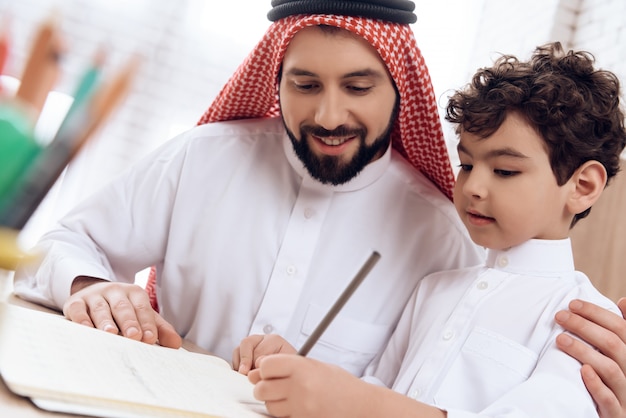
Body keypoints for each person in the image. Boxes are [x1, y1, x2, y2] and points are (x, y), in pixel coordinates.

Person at [10, 0, 626, 414]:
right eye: (305, 85)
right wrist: (90, 284)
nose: (329, 116)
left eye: (358, 87)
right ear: (276, 81)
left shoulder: (450, 235)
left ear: (399, 88)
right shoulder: (203, 157)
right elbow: (55, 245)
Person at [239, 41, 626, 418]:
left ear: (582, 187)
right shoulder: (435, 288)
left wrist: (360, 405)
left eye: (505, 171)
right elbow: (379, 390)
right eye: (467, 165)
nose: (473, 187)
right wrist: (301, 373)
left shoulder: (590, 320)